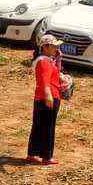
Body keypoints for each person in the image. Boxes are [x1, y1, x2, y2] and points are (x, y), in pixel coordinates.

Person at [27, 31, 63, 166]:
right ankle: (47, 156)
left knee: (38, 126)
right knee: (48, 127)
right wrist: (49, 96)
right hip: (49, 97)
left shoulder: (45, 60)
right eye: (54, 47)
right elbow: (44, 81)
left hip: (41, 97)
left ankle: (32, 154)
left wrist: (58, 60)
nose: (57, 49)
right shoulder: (44, 62)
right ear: (46, 47)